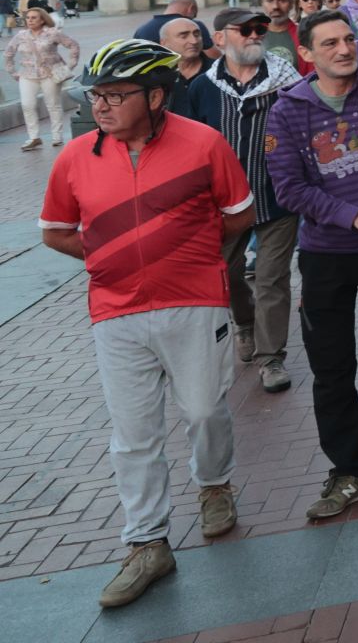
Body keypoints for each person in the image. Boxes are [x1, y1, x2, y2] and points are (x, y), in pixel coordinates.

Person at [39, 40, 254, 607]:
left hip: (195, 300)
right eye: (96, 95)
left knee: (205, 410)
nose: (101, 105)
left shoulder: (204, 143)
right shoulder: (76, 156)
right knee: (133, 436)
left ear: (156, 95)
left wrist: (186, 252)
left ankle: (214, 485)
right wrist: (109, 255)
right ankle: (147, 543)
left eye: (115, 94)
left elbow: (240, 215)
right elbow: (55, 229)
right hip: (116, 311)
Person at [264, 11, 358, 522]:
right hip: (327, 255)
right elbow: (289, 189)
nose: (344, 49)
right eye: (330, 43)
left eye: (349, 39)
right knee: (332, 367)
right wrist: (353, 216)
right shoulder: (288, 111)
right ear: (309, 53)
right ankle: (350, 470)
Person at [179, 7, 304, 393]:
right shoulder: (203, 87)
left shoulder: (287, 82)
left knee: (271, 279)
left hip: (276, 197)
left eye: (259, 29)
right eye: (245, 29)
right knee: (225, 273)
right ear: (220, 40)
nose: (254, 35)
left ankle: (271, 359)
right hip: (224, 203)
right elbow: (186, 143)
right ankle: (245, 324)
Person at [6, 1, 79, 149]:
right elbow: (8, 54)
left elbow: (73, 45)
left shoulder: (52, 33)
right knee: (27, 105)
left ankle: (57, 136)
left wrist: (70, 65)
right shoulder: (21, 36)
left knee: (53, 105)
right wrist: (13, 72)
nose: (30, 20)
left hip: (50, 74)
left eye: (34, 18)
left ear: (42, 20)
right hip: (27, 75)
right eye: (28, 18)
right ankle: (33, 137)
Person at [159, 16, 210, 111]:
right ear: (164, 43)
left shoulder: (219, 72)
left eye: (197, 34)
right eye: (184, 36)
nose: (194, 41)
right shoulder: (156, 75)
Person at [134, 0, 213, 48]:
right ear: (191, 8)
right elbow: (213, 56)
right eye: (194, 15)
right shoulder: (194, 27)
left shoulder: (141, 30)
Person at [257, 0, 299, 67]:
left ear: (291, 4)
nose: (275, 6)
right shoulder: (252, 33)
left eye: (282, 0)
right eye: (270, 0)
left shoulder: (302, 35)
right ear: (262, 3)